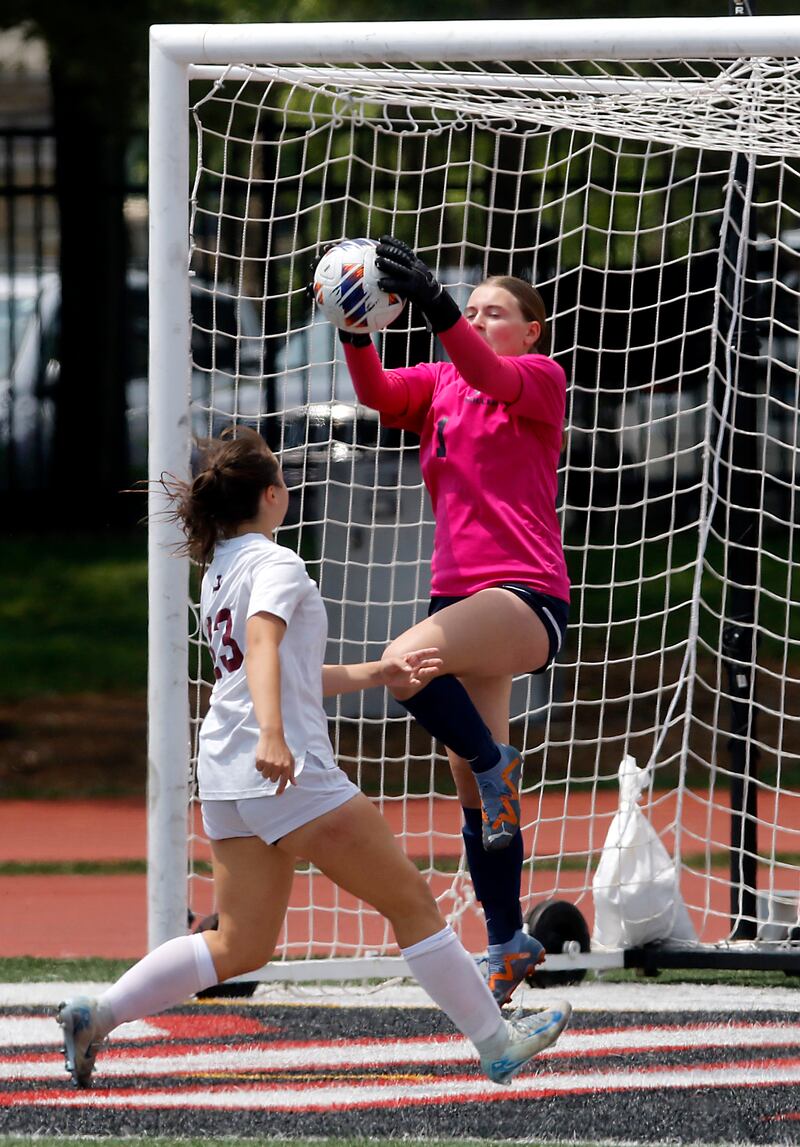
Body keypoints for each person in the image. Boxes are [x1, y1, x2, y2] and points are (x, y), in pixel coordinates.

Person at [56, 428, 570, 1091]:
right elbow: (266, 649)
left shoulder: (220, 570)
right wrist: (275, 734)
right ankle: (497, 1042)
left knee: (240, 943)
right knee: (412, 899)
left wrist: (374, 670)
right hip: (284, 769)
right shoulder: (276, 564)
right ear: (273, 495)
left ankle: (99, 1013)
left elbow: (288, 667)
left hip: (223, 772)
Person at [334, 236, 570, 1008]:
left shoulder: (538, 376)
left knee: (404, 665)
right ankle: (508, 939)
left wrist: (437, 306)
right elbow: (373, 394)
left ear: (532, 329)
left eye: (493, 310)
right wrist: (353, 325)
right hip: (460, 602)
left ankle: (493, 760)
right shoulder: (439, 382)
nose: (477, 317)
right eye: (470, 309)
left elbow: (489, 371)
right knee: (473, 790)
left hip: (525, 595)